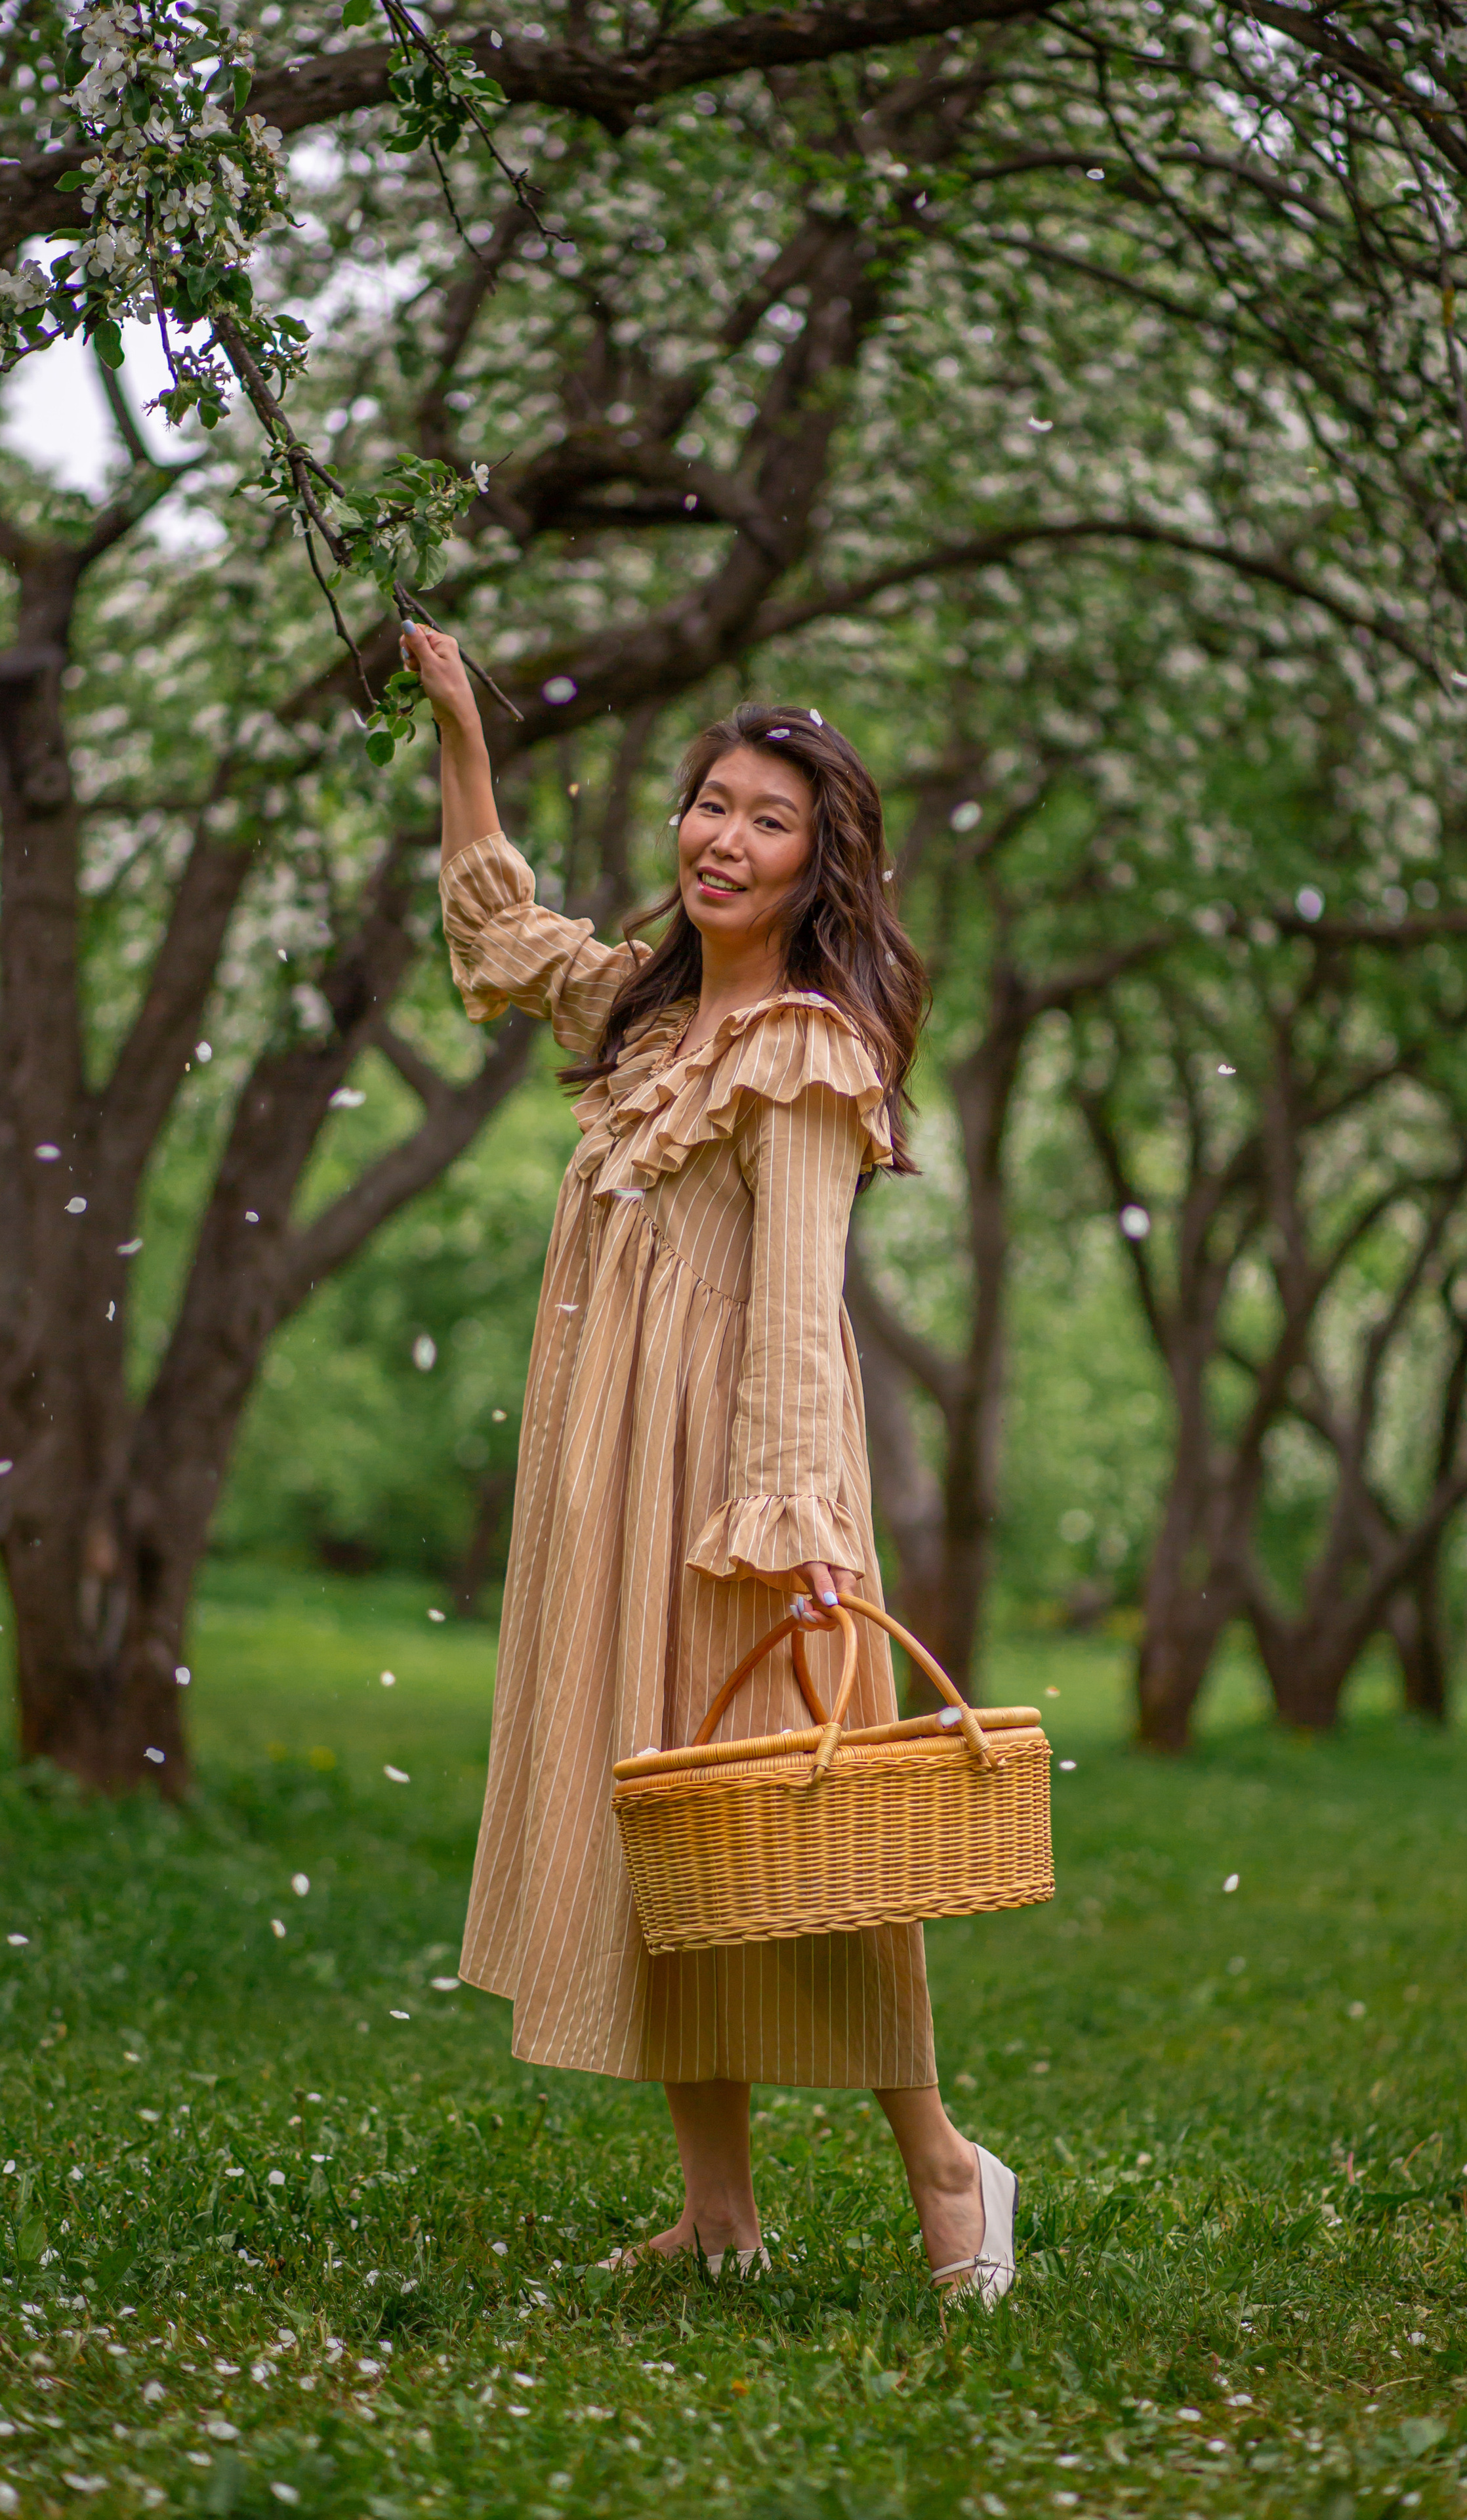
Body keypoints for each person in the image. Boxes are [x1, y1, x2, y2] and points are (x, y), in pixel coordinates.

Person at [402, 624, 1018, 2302]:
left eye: (764, 820)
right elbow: (494, 923)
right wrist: (461, 723)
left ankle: (947, 2163)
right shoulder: (646, 1012)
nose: (719, 840)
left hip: (749, 1486)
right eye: (704, 805)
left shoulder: (810, 1045)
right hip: (609, 1468)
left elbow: (795, 1313)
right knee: (667, 1815)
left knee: (820, 1854)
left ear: (818, 864)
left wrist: (798, 1521)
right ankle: (718, 2211)